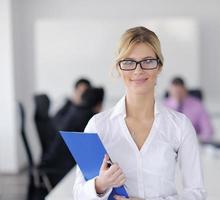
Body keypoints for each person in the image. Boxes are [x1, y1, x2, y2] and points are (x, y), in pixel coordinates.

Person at [73, 26, 206, 200]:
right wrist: (100, 185)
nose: (138, 70)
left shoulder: (179, 125)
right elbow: (78, 194)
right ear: (119, 68)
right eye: (128, 62)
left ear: (159, 66)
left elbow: (197, 193)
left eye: (148, 61)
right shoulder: (99, 125)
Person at [164, 77, 213, 142]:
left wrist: (197, 140)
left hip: (193, 143)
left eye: (180, 92)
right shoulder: (163, 106)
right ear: (170, 91)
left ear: (185, 90)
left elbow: (208, 130)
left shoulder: (197, 105)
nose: (177, 95)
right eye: (175, 92)